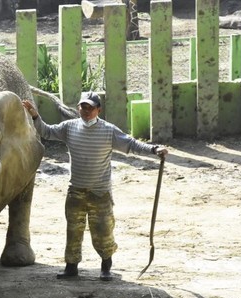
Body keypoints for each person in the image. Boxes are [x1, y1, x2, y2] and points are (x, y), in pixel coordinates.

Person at [22, 92, 168, 281]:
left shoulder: (109, 130)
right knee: (74, 230)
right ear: (78, 108)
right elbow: (46, 131)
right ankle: (71, 267)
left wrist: (154, 149)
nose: (87, 111)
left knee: (103, 231)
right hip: (75, 191)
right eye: (83, 107)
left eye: (91, 108)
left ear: (99, 110)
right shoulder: (69, 127)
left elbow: (131, 144)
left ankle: (106, 267)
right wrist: (34, 115)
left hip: (100, 192)